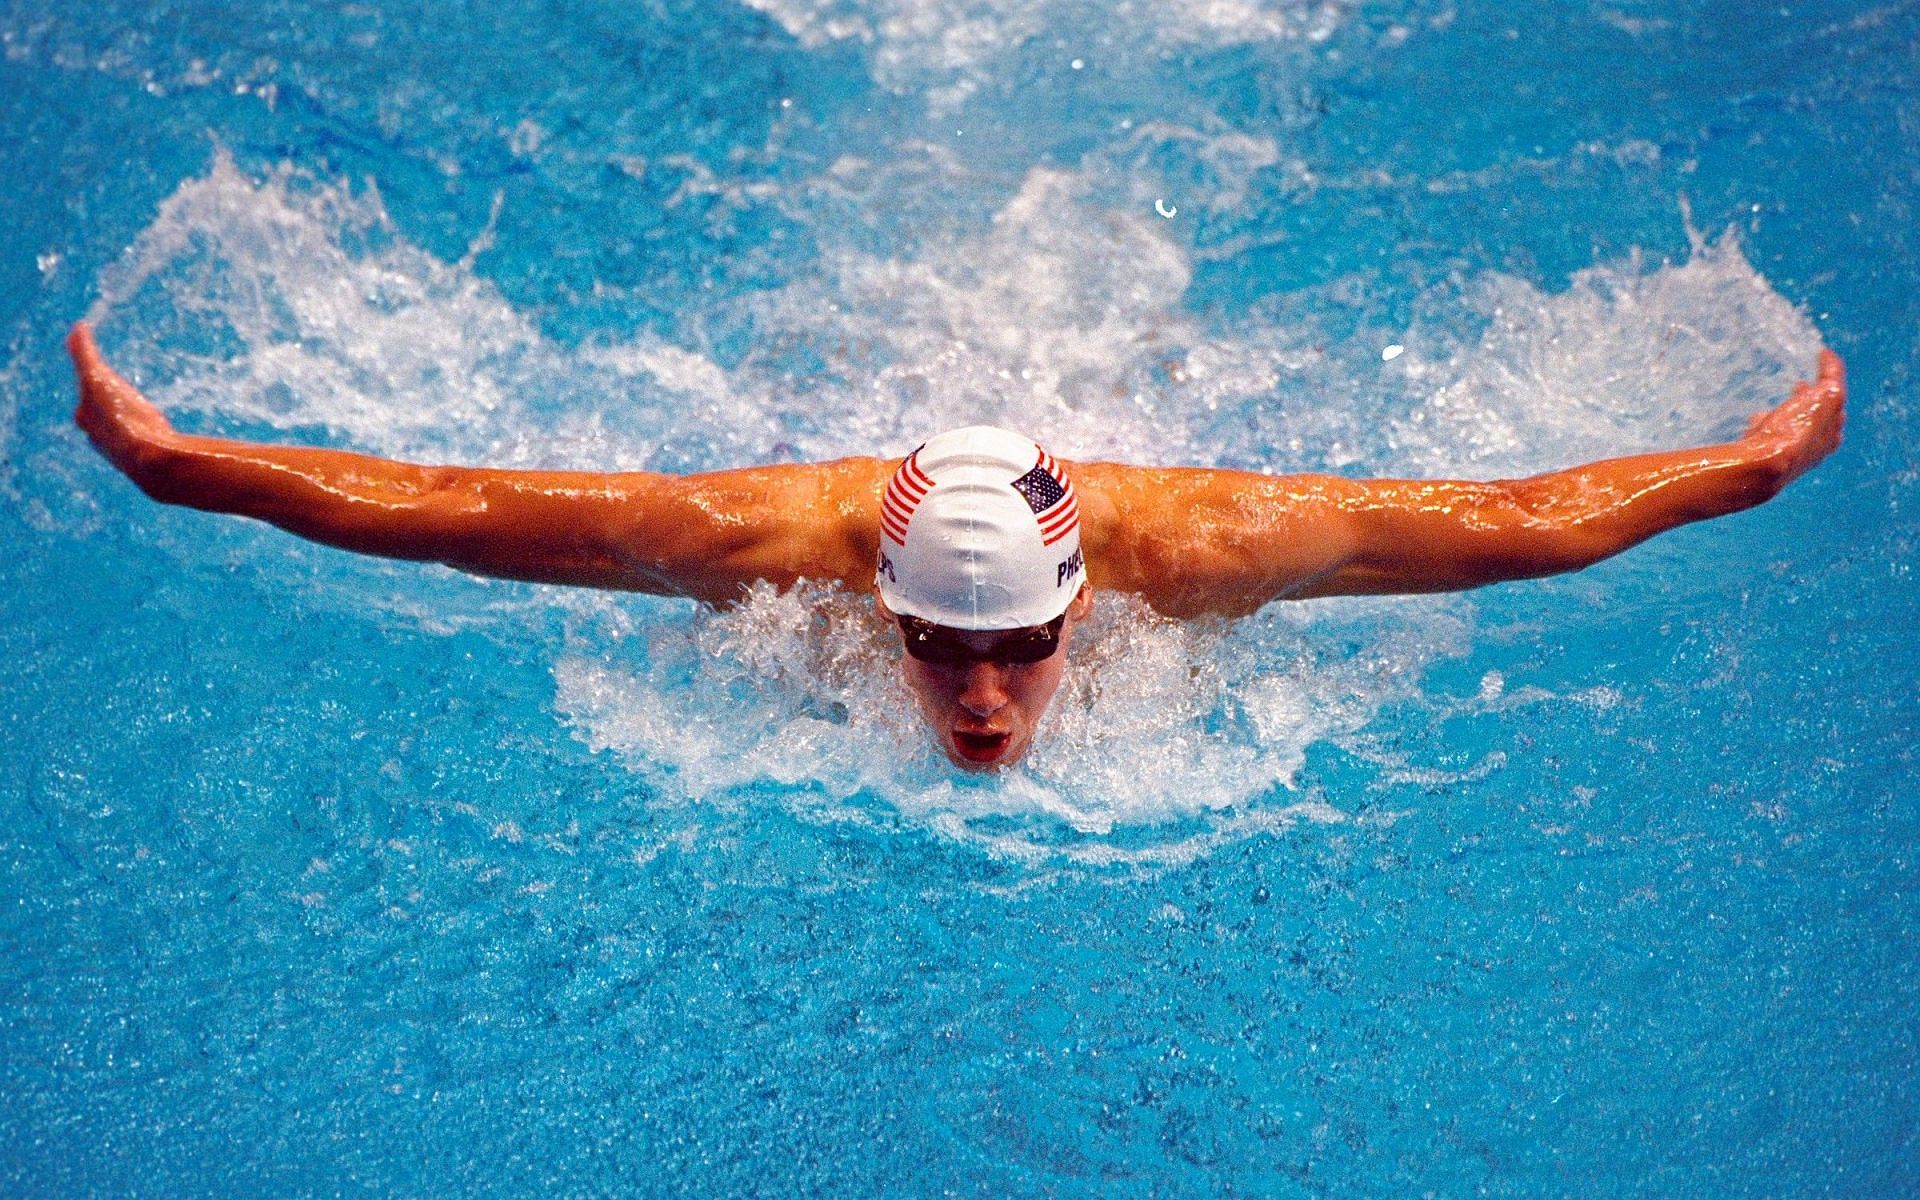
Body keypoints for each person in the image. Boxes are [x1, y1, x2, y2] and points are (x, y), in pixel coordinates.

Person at [68, 322, 1846, 770]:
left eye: (1015, 651)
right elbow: (461, 510)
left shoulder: (1204, 550)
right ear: (876, 601)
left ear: (1089, 601)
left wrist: (1744, 474)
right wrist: (185, 467)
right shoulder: (760, 543)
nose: (982, 702)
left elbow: (1516, 525)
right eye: (934, 648)